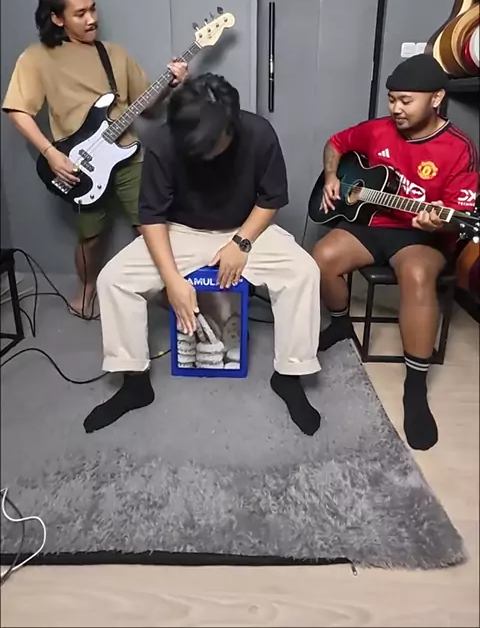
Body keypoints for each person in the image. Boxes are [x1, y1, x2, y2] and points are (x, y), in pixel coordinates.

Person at [83, 72, 322, 436]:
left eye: (212, 144)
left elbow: (271, 199)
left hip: (244, 228)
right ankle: (134, 382)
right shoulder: (163, 140)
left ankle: (290, 375)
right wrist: (172, 281)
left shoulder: (259, 134)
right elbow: (151, 216)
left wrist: (241, 243)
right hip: (181, 231)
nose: (202, 153)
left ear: (232, 124)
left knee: (303, 272)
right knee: (114, 280)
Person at [312, 54, 479, 452]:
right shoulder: (377, 130)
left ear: (436, 98)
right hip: (371, 223)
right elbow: (336, 143)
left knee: (417, 277)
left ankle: (415, 387)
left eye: (406, 101)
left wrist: (437, 222)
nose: (396, 109)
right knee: (321, 257)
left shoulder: (459, 149)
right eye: (392, 100)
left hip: (421, 237)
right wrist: (332, 176)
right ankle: (340, 323)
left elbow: (458, 217)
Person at [2, 0, 187, 315]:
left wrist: (170, 85)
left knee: (151, 226)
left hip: (128, 155)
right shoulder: (37, 57)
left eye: (93, 8)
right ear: (57, 18)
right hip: (78, 164)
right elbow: (17, 110)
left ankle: (168, 290)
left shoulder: (114, 54)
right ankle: (86, 289)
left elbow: (147, 109)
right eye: (80, 13)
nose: (92, 19)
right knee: (92, 237)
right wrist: (50, 154)